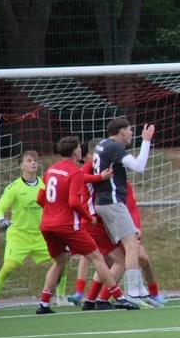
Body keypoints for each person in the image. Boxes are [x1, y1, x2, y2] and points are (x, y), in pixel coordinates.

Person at [35, 136, 140, 313]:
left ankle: (44, 304)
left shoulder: (51, 170)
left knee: (60, 261)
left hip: (47, 224)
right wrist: (88, 217)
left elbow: (40, 199)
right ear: (76, 152)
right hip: (68, 225)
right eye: (79, 148)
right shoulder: (75, 172)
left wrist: (53, 210)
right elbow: (74, 202)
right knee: (97, 258)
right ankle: (119, 297)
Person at [0, 151, 70, 311]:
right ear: (21, 166)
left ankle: (61, 297)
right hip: (19, 235)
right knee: (9, 267)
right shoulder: (14, 188)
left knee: (61, 261)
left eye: (35, 160)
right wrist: (1, 220)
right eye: (29, 161)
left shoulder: (44, 185)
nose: (33, 163)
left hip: (41, 236)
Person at [94, 118, 154, 307]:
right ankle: (133, 293)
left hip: (105, 202)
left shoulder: (104, 145)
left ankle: (140, 291)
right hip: (112, 202)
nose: (131, 134)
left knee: (128, 248)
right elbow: (139, 167)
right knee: (132, 245)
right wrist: (146, 141)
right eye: (129, 130)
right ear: (121, 132)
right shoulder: (113, 147)